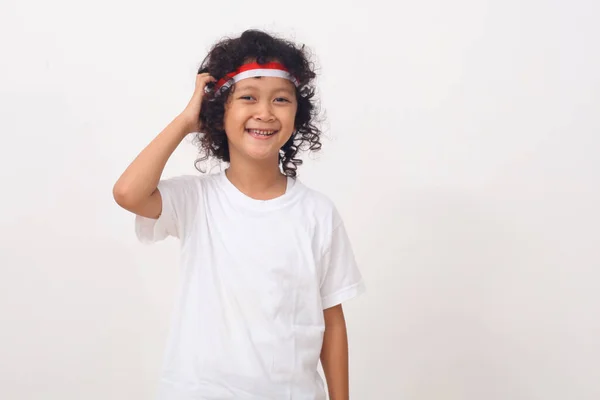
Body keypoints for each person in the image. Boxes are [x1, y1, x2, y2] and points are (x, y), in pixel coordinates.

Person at [113, 29, 365, 400]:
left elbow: (332, 320)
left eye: (281, 99)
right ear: (218, 110)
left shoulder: (317, 213)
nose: (264, 112)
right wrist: (185, 121)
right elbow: (128, 193)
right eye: (248, 97)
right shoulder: (196, 200)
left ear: (298, 111)